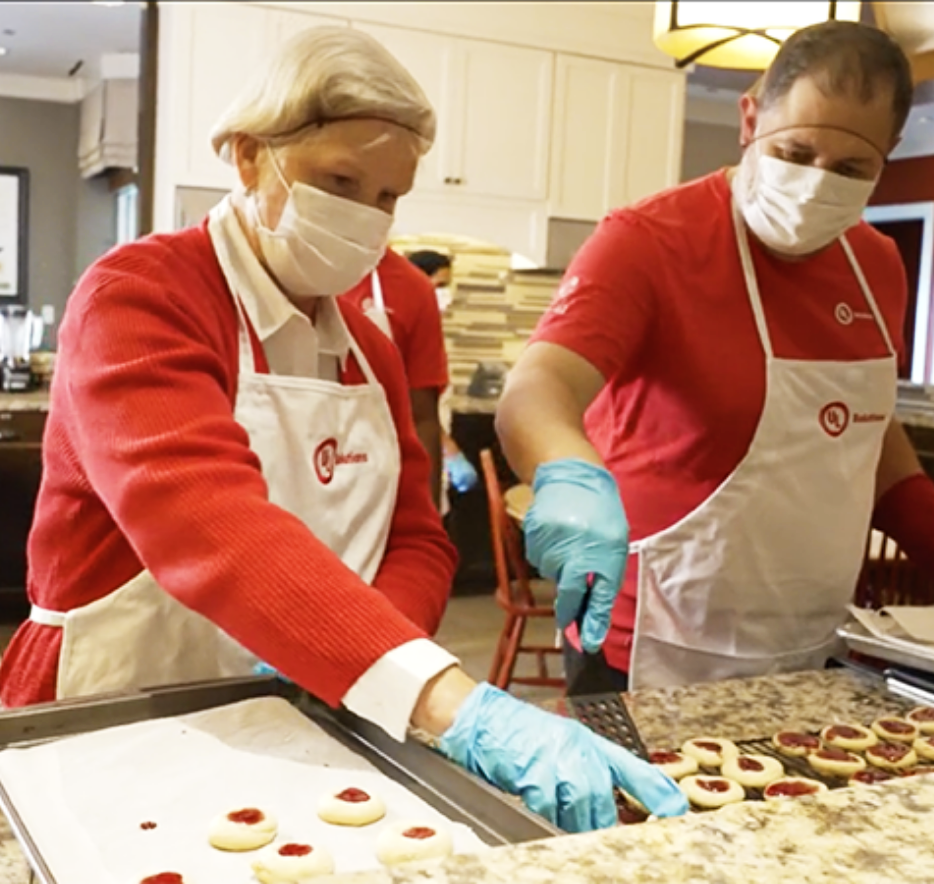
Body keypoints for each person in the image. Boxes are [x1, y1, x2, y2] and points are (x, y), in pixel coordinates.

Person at [0, 27, 685, 831]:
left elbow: (418, 539)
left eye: (388, 196)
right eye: (340, 181)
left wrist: (354, 665)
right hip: (117, 711)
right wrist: (451, 705)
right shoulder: (141, 296)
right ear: (250, 156)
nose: (366, 217)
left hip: (311, 718)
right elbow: (208, 525)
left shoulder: (369, 348)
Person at [496, 21, 934, 692]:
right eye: (794, 152)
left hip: (811, 638)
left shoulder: (876, 264)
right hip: (651, 638)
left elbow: (857, 422)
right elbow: (538, 387)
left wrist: (921, 519)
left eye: (850, 170)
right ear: (750, 118)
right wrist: (570, 477)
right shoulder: (647, 240)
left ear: (888, 154)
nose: (815, 185)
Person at [340, 249, 449, 505]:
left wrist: (428, 512)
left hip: (379, 480)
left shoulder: (413, 288)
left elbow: (422, 417)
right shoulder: (275, 276)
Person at [403, 249, 479, 498]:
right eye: (440, 286)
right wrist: (451, 452)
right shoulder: (404, 333)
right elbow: (414, 408)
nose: (446, 295)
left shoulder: (429, 332)